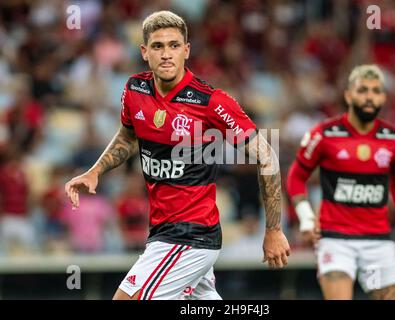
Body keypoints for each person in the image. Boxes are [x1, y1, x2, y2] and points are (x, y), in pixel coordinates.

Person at [65, 10, 290, 300]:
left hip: (190, 236)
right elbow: (127, 136)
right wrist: (95, 171)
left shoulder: (211, 102)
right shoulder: (135, 89)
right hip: (162, 230)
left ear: (186, 50)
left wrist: (273, 229)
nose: (166, 54)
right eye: (158, 46)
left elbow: (266, 155)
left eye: (174, 45)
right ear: (145, 52)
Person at [286, 64, 395, 300]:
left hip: (376, 245)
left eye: (376, 91)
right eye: (362, 90)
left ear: (383, 97)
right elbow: (296, 177)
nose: (369, 97)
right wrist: (306, 217)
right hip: (336, 242)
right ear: (348, 95)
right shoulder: (324, 134)